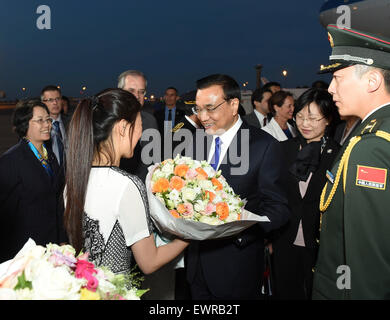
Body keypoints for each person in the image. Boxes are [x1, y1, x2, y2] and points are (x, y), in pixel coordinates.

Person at [64, 88, 188, 288]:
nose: (140, 135)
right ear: (123, 127)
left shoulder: (74, 180)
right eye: (139, 126)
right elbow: (149, 262)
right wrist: (191, 235)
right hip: (116, 291)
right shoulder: (127, 184)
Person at [186, 74, 290, 300]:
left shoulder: (264, 146)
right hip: (196, 265)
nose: (203, 117)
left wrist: (239, 231)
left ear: (234, 105)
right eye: (198, 109)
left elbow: (278, 208)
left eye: (210, 108)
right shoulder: (195, 141)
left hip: (236, 265)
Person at [313, 25, 390, 299]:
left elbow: (367, 259)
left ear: (372, 81)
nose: (331, 88)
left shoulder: (370, 147)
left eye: (338, 77)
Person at [271, 88, 340, 300]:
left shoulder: (338, 155)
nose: (305, 124)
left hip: (320, 243)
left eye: (312, 118)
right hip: (285, 238)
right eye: (300, 116)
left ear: (327, 120)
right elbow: (275, 194)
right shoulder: (283, 150)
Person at [0, 99, 67, 263]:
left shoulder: (50, 157)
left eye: (48, 119)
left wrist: (62, 240)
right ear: (25, 124)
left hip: (51, 247)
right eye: (40, 120)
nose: (47, 125)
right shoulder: (11, 161)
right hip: (23, 252)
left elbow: (57, 202)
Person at [117, 70, 159, 182]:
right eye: (131, 90)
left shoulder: (150, 121)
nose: (136, 96)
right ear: (120, 92)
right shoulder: (110, 121)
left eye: (141, 92)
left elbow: (153, 160)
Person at [41, 85, 70, 166]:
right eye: (50, 100)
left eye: (57, 99)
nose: (55, 103)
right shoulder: (38, 126)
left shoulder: (71, 122)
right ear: (43, 103)